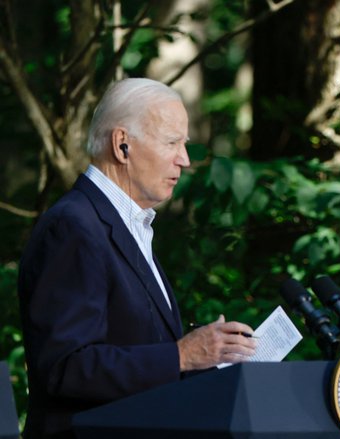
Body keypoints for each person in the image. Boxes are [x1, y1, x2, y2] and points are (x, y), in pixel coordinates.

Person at [17, 78, 257, 438]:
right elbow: (65, 367)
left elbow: (137, 348)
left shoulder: (127, 224)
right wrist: (181, 355)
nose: (185, 159)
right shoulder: (73, 227)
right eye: (172, 142)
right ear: (122, 144)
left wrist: (211, 355)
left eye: (184, 144)